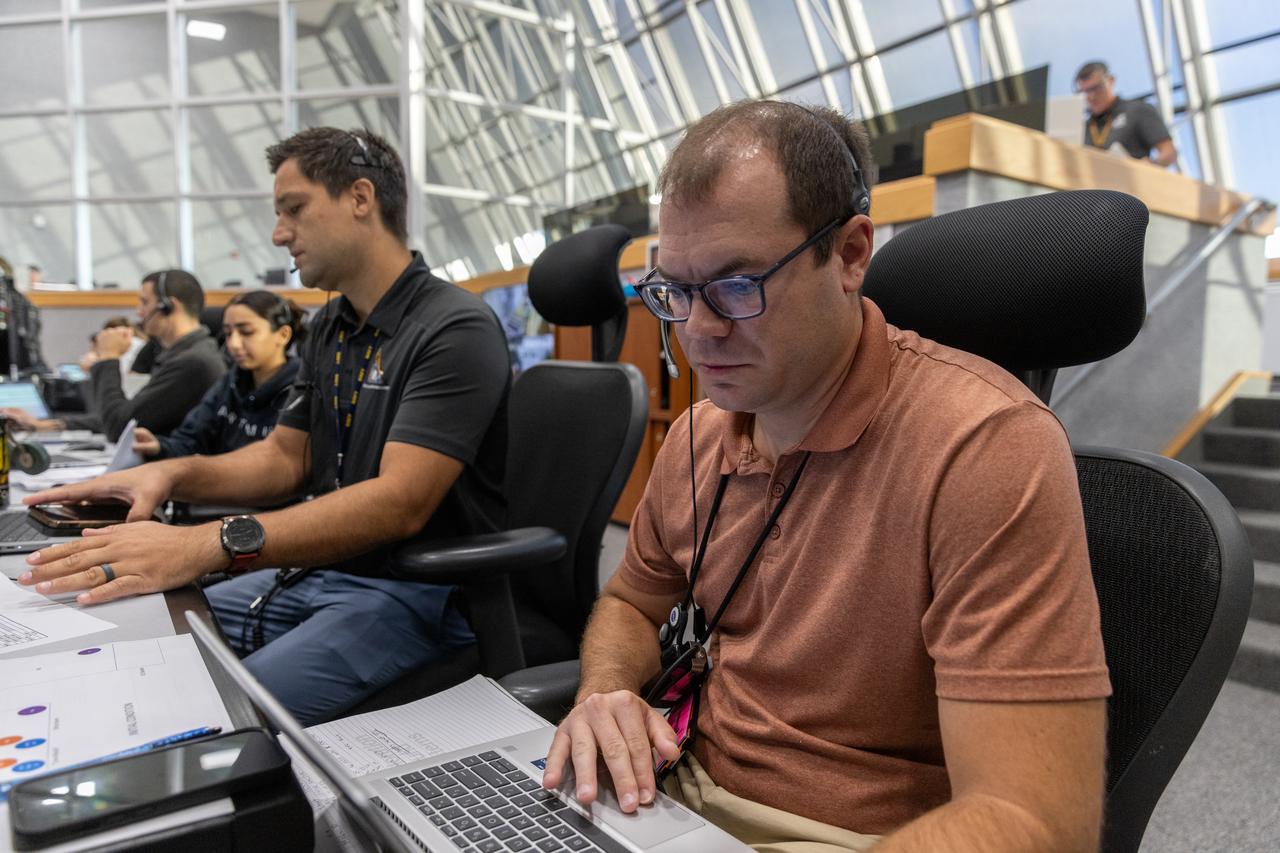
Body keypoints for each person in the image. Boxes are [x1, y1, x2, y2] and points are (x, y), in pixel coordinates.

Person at [538, 100, 1111, 852]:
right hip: (672, 804)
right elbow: (630, 601)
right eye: (675, 290)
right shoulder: (694, 437)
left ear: (849, 254)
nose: (700, 330)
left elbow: (1034, 821)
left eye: (738, 284)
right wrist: (607, 690)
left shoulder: (985, 448)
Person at [18, 127, 511, 726]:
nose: (280, 235)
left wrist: (211, 540)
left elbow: (399, 502)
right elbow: (283, 459)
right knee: (132, 631)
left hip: (412, 594)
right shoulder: (332, 324)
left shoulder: (454, 326)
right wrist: (167, 475)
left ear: (361, 198)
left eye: (294, 210)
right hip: (323, 571)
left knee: (206, 714)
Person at [4, 270, 226, 441]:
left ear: (169, 306)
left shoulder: (192, 363)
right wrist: (49, 424)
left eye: (145, 302)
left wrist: (109, 357)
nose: (139, 311)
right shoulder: (178, 354)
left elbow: (119, 427)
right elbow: (125, 415)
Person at [133, 291, 306, 459]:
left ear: (283, 335)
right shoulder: (230, 383)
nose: (234, 344)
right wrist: (160, 447)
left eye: (246, 332)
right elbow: (190, 440)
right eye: (228, 333)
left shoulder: (301, 392)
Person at [1076, 60, 1176, 166]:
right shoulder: (1083, 128)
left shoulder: (1138, 111)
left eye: (1096, 88)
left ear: (1110, 81)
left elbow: (1168, 151)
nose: (1091, 97)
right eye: (1084, 92)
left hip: (1132, 179)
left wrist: (1152, 165)